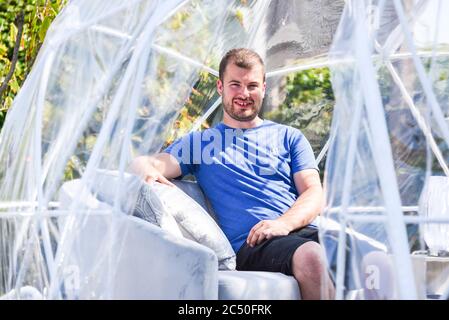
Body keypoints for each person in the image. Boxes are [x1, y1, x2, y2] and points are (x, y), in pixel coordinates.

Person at [130, 48, 335, 299]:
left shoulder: (289, 137)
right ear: (220, 87)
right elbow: (153, 163)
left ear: (263, 87)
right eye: (235, 85)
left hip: (300, 230)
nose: (244, 94)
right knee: (312, 257)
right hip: (255, 242)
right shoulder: (200, 143)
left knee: (374, 258)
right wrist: (143, 166)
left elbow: (314, 193)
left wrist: (284, 223)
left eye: (251, 85)